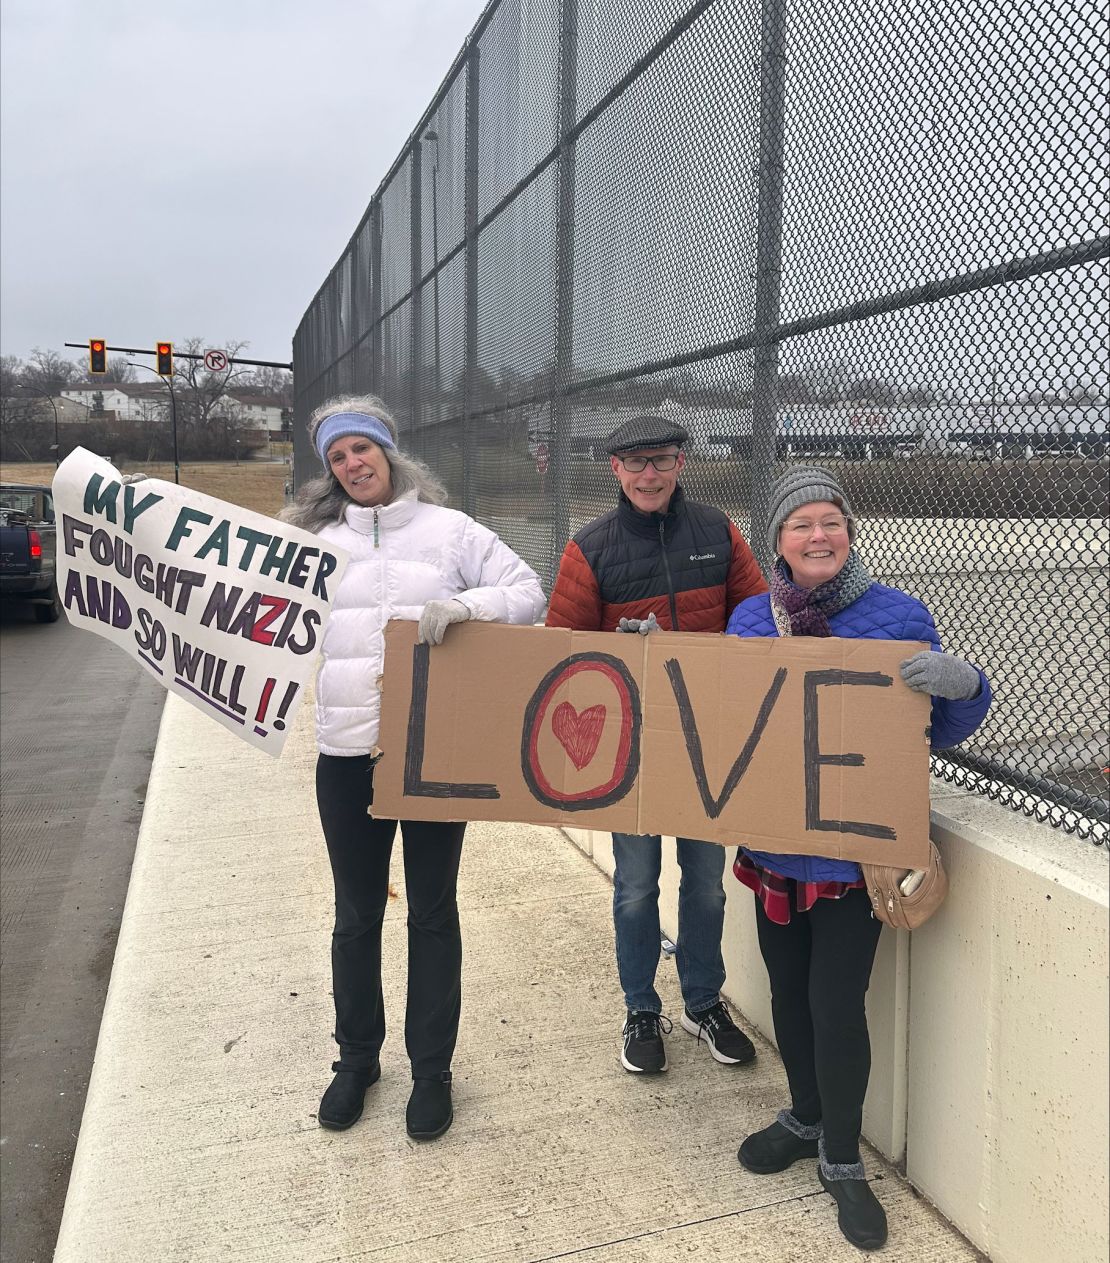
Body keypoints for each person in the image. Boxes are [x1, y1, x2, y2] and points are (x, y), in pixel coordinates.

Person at [726, 465, 992, 1251]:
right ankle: (804, 1114)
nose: (819, 536)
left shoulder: (900, 614)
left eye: (831, 521)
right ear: (776, 539)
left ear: (850, 531)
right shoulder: (750, 618)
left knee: (836, 1004)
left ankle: (841, 1156)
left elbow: (929, 735)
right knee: (786, 993)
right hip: (777, 845)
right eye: (801, 523)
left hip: (853, 860)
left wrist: (964, 685)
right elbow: (726, 724)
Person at [282, 395, 545, 1140]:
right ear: (328, 471)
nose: (353, 464)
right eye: (337, 457)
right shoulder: (314, 541)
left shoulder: (449, 530)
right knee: (356, 914)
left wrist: (469, 605)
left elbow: (529, 590)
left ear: (389, 453)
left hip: (434, 750)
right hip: (346, 754)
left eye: (362, 448)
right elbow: (248, 610)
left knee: (432, 911)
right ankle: (356, 1060)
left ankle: (432, 1070)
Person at [546, 415, 768, 1074]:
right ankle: (641, 1006)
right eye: (635, 462)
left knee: (706, 885)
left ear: (680, 463)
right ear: (614, 469)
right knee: (637, 885)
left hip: (706, 745)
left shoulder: (718, 531)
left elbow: (756, 622)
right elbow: (564, 653)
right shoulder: (590, 548)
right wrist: (620, 648)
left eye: (662, 460)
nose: (649, 474)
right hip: (629, 751)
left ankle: (703, 1000)